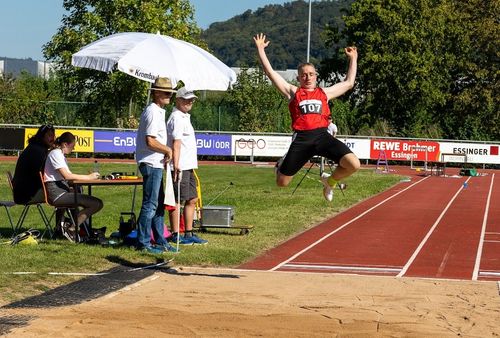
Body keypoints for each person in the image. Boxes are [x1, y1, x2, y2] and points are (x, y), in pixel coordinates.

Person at [253, 33, 360, 202]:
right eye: (304, 75)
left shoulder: (324, 93)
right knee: (282, 183)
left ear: (316, 76)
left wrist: (353, 58)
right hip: (302, 139)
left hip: (322, 136)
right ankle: (281, 165)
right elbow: (270, 72)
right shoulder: (293, 92)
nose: (308, 77)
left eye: (311, 74)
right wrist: (260, 50)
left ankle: (329, 181)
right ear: (298, 78)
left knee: (354, 164)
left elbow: (348, 83)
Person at [135, 77, 178, 254]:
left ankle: (159, 240)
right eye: (167, 93)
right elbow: (150, 141)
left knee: (158, 204)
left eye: (171, 93)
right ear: (156, 93)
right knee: (151, 204)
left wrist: (165, 152)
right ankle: (143, 242)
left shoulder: (158, 111)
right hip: (151, 163)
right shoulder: (152, 112)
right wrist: (167, 150)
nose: (170, 96)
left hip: (156, 163)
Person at [43, 132, 103, 241]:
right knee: (96, 204)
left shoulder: (59, 154)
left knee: (96, 203)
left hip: (61, 191)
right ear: (65, 144)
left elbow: (68, 177)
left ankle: (70, 227)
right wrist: (88, 177)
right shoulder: (55, 154)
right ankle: (71, 228)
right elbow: (67, 176)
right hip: (57, 194)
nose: (73, 149)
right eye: (72, 146)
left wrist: (86, 178)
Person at [166, 87, 208, 245]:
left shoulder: (184, 117)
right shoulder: (176, 117)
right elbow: (176, 143)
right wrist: (176, 165)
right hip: (180, 166)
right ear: (178, 100)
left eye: (192, 99)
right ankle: (176, 233)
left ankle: (188, 232)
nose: (190, 101)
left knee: (192, 198)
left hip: (189, 165)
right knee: (178, 200)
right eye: (186, 99)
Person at [12, 124, 55, 205]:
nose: (53, 139)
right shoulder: (38, 151)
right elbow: (43, 175)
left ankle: (66, 218)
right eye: (50, 135)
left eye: (53, 136)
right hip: (27, 195)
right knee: (68, 192)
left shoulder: (34, 147)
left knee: (64, 191)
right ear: (42, 136)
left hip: (21, 193)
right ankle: (70, 218)